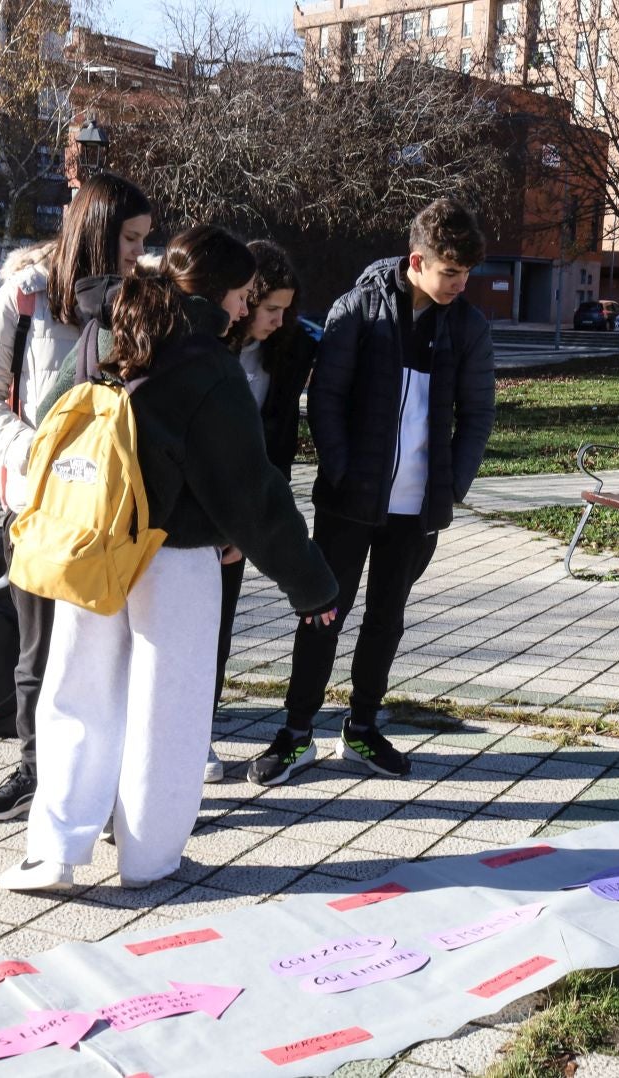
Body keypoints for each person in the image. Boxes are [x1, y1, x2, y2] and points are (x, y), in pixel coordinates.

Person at [0, 226, 338, 891]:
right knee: (170, 712)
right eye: (242, 296)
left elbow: (51, 417)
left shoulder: (108, 331)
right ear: (219, 293)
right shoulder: (208, 365)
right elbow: (252, 494)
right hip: (173, 560)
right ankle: (150, 859)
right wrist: (314, 587)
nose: (244, 310)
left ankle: (54, 851)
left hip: (91, 544)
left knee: (76, 695)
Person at [246, 198, 496, 787]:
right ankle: (296, 732)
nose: (460, 285)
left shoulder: (468, 327)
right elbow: (325, 399)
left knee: (387, 619)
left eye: (466, 275)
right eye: (450, 273)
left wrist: (452, 486)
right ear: (418, 261)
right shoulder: (357, 309)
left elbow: (477, 413)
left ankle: (361, 729)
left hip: (417, 510)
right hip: (349, 503)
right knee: (322, 614)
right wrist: (340, 471)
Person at [0, 173, 153, 822]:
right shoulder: (27, 296)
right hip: (40, 510)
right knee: (38, 653)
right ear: (96, 230)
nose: (136, 250)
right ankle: (35, 771)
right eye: (129, 238)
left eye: (144, 239)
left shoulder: (140, 296)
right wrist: (34, 459)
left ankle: (105, 785)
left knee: (111, 655)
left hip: (115, 513)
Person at [208, 240, 315, 783]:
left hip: (241, 512)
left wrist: (250, 527)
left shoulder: (288, 349)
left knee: (220, 624)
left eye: (286, 310)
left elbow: (280, 439)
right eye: (271, 308)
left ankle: (201, 725)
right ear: (244, 300)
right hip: (188, 509)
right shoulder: (205, 343)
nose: (279, 320)